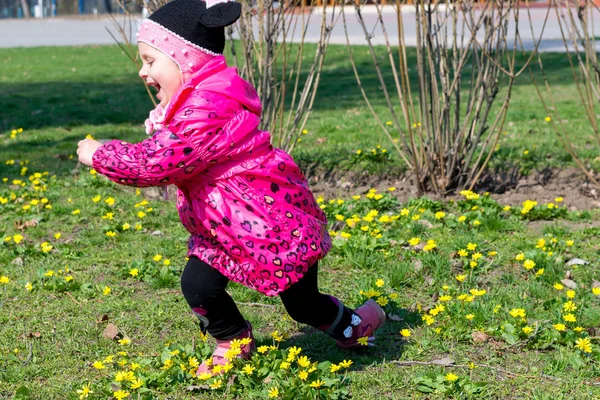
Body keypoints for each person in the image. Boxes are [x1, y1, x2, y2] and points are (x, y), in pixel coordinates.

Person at [76, 0, 385, 374]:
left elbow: (155, 164)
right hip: (221, 226)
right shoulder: (194, 104)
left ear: (185, 60)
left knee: (302, 304)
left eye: (150, 60)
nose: (142, 71)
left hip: (271, 225)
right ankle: (233, 338)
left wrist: (100, 155)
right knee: (198, 285)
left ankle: (354, 326)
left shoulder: (206, 109)